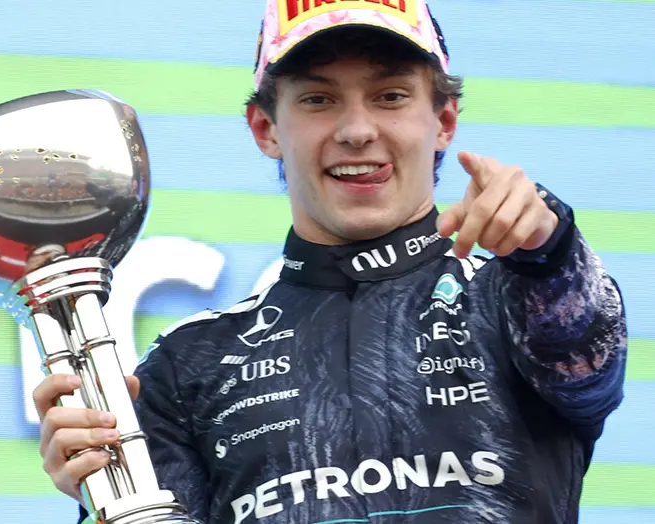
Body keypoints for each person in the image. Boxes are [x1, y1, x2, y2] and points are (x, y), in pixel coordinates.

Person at [33, 1, 628, 523]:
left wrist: (548, 248)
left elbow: (587, 358)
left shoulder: (513, 296)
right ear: (266, 128)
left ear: (443, 121)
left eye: (390, 96)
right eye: (319, 100)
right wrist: (107, 492)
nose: (356, 130)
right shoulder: (187, 367)